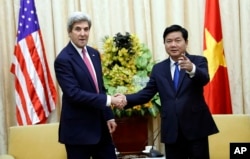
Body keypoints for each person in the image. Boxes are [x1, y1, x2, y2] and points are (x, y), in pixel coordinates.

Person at [116, 24, 219, 159]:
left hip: (195, 128)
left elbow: (204, 78)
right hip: (172, 129)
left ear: (186, 42)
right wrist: (125, 99)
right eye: (169, 41)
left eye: (177, 40)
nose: (173, 45)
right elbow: (146, 93)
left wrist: (191, 69)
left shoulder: (198, 61)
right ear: (164, 44)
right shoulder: (159, 69)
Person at [54, 12, 124, 159]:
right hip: (78, 132)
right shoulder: (63, 59)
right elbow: (74, 94)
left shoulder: (94, 54)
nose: (82, 33)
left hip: (100, 129)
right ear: (69, 32)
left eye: (86, 29)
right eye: (77, 29)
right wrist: (110, 100)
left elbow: (99, 87)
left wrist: (108, 116)